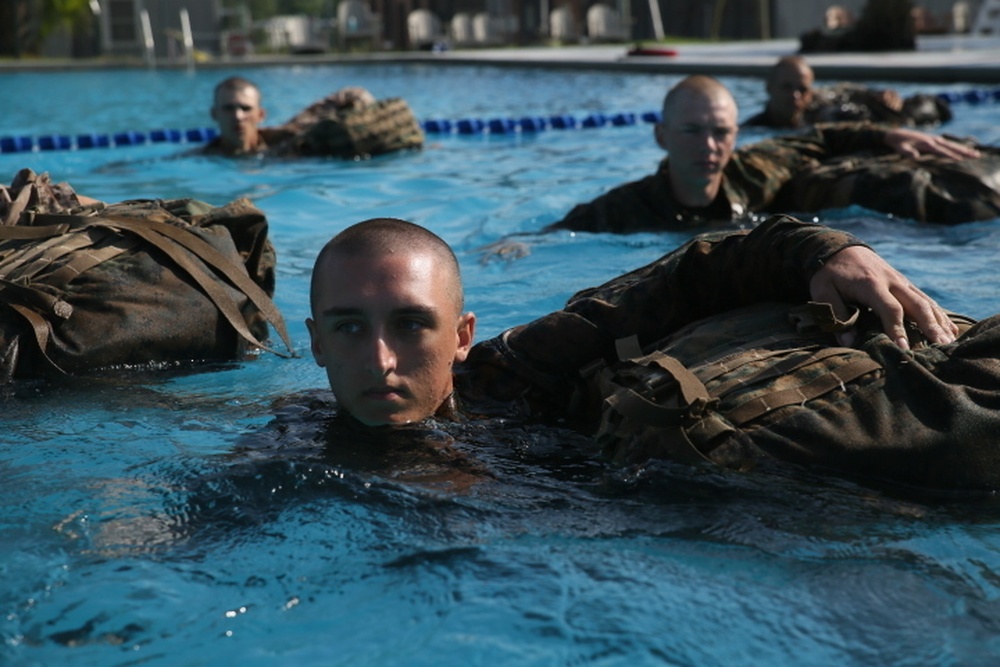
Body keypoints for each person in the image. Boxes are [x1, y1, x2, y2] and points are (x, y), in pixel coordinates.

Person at [306, 215, 1000, 493]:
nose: (380, 358)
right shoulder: (289, 452)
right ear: (313, 343)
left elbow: (686, 272)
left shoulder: (511, 374)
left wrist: (829, 251)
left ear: (460, 336)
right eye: (347, 328)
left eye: (410, 325)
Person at [546, 75, 999, 232]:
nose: (709, 146)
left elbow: (821, 137)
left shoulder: (758, 169)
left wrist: (890, 136)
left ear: (735, 134)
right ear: (661, 136)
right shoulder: (627, 208)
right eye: (691, 131)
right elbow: (562, 228)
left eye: (720, 132)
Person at [203, 76, 424, 159]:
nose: (238, 116)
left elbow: (354, 94)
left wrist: (363, 121)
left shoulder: (290, 134)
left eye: (245, 108)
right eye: (229, 108)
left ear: (260, 114)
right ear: (215, 114)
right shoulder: (202, 157)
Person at [742, 56, 951, 129]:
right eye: (786, 87)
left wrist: (884, 94)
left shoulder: (821, 100)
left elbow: (851, 90)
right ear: (769, 87)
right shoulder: (755, 127)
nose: (795, 95)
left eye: (802, 89)